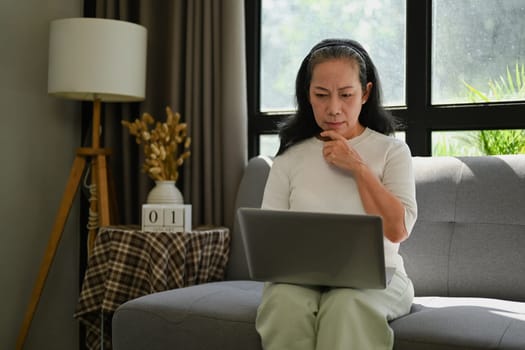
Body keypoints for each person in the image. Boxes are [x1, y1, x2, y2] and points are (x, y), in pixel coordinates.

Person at [256, 38, 418, 350]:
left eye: (346, 95)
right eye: (321, 95)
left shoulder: (393, 152)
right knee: (284, 303)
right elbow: (269, 242)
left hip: (379, 279)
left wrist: (357, 167)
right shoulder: (289, 159)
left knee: (345, 305)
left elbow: (398, 229)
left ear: (366, 93)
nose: (334, 108)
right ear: (308, 95)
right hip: (301, 279)